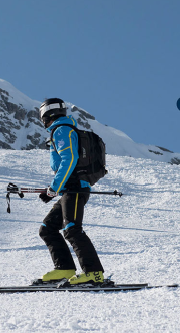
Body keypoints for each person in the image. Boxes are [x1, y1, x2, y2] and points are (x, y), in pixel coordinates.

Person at [37, 98, 105, 286]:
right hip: (70, 189)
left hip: (75, 188)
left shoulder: (62, 130)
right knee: (47, 228)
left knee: (72, 229)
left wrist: (53, 188)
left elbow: (69, 159)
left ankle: (94, 273)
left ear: (46, 115)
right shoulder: (61, 130)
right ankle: (64, 269)